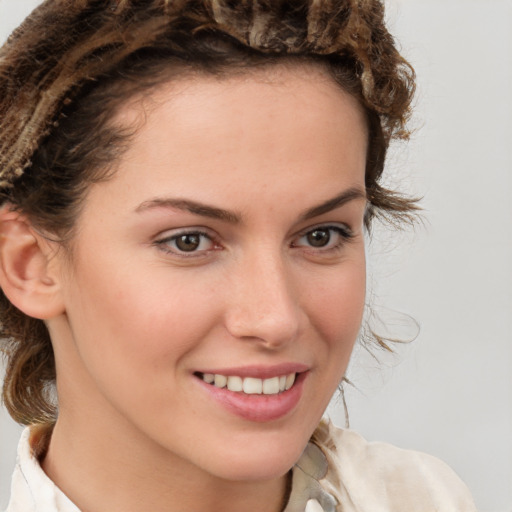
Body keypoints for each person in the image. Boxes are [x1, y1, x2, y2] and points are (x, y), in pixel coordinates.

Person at [0, 1, 476, 511]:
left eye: (321, 236)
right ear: (31, 264)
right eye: (189, 241)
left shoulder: (423, 497)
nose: (276, 319)